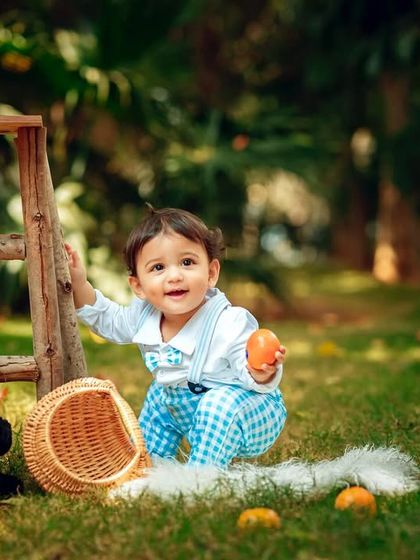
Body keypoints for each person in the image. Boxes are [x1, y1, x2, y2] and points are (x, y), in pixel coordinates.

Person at [66, 206, 287, 468]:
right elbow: (109, 320)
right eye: (158, 267)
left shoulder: (228, 322)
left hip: (250, 410)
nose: (175, 276)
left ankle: (201, 477)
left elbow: (246, 367)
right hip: (187, 409)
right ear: (138, 286)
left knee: (217, 403)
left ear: (211, 273)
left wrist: (260, 370)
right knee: (160, 396)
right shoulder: (144, 316)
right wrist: (79, 285)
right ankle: (150, 464)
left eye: (187, 262)